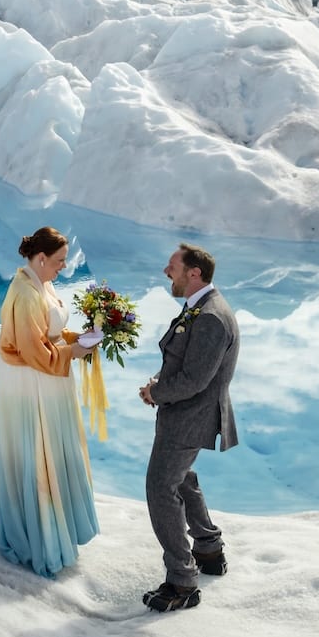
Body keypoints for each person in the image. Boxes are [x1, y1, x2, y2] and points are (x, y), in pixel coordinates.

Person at [0, 226, 100, 575]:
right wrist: (74, 351)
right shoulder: (25, 293)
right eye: (59, 261)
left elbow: (47, 331)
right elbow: (35, 351)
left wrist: (77, 337)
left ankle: (52, 529)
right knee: (36, 453)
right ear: (41, 258)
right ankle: (38, 536)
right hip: (27, 381)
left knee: (47, 451)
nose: (64, 266)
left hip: (42, 378)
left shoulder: (41, 282)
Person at [136, 243, 240, 612]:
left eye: (172, 266)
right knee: (180, 478)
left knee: (160, 487)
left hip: (189, 417)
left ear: (193, 273)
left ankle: (182, 583)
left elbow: (196, 379)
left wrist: (157, 392)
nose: (166, 271)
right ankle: (208, 549)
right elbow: (186, 362)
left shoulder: (211, 317)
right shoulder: (200, 307)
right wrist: (159, 383)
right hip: (184, 413)